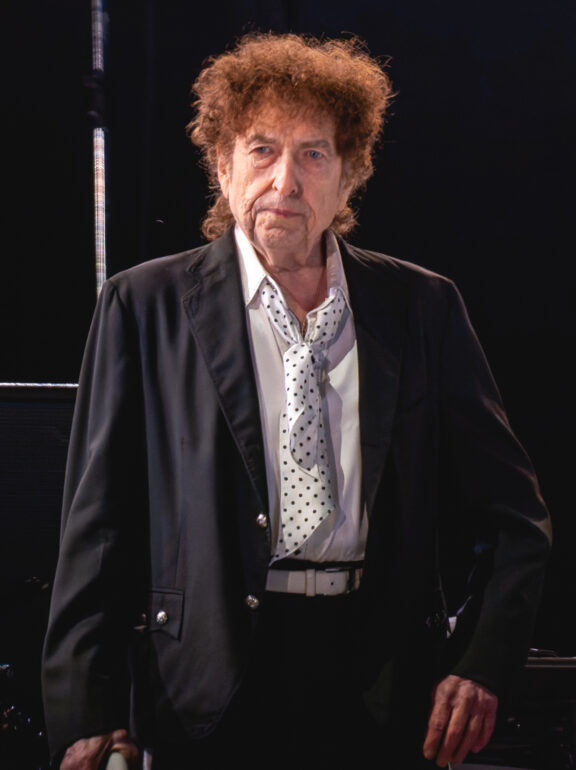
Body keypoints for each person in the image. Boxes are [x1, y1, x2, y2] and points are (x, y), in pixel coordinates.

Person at [42, 32, 551, 769]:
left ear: (349, 177)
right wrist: (86, 710)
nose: (285, 181)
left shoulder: (421, 307)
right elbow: (96, 529)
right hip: (201, 686)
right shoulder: (143, 305)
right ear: (222, 165)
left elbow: (515, 519)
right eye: (262, 150)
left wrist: (482, 661)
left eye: (314, 154)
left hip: (383, 686)